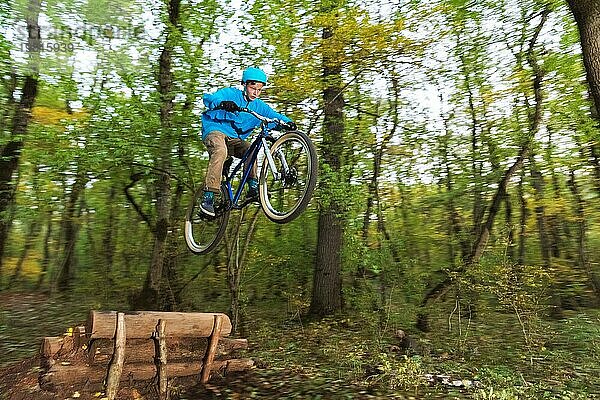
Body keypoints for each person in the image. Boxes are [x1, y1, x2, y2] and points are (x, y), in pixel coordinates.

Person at [199, 67, 296, 216]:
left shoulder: (259, 106)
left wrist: (288, 123)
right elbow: (210, 98)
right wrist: (223, 103)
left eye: (259, 89)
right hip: (215, 130)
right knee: (220, 151)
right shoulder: (231, 94)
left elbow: (274, 116)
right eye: (253, 88)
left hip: (234, 138)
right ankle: (209, 196)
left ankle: (252, 187)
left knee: (251, 150)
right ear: (244, 85)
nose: (256, 93)